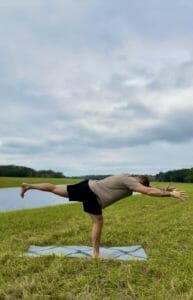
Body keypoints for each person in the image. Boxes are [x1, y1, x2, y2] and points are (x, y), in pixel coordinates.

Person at [20, 173, 187, 258]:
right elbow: (148, 190)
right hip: (92, 194)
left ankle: (28, 186)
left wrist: (165, 190)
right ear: (139, 182)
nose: (138, 189)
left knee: (55, 188)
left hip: (88, 188)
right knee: (98, 222)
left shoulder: (129, 180)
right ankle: (95, 254)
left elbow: (149, 188)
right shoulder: (130, 181)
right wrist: (169, 195)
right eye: (139, 186)